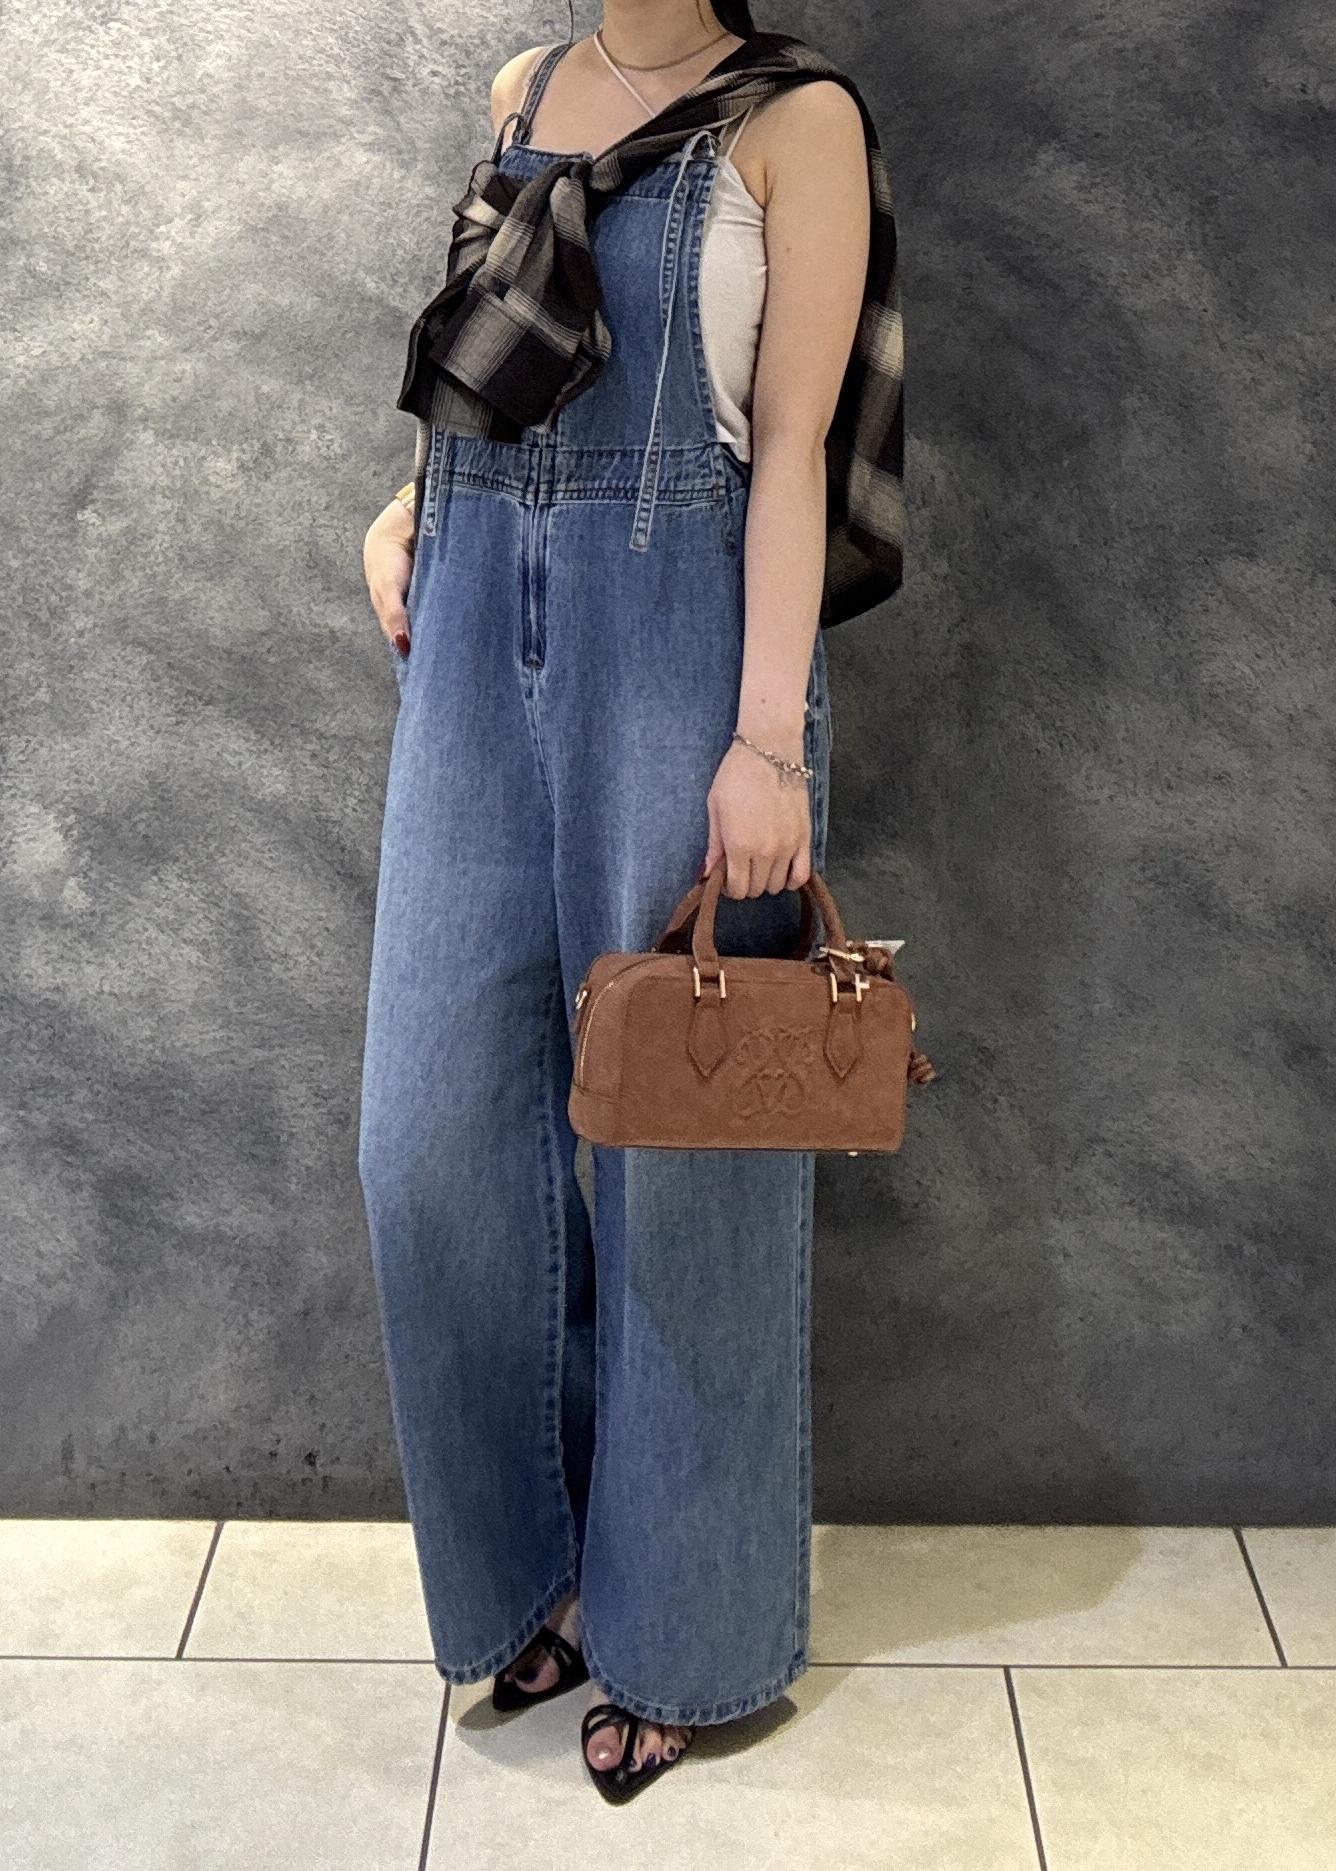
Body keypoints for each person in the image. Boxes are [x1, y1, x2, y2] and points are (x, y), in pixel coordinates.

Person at [357, 0, 895, 1805]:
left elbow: (796, 447)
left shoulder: (797, 121)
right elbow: (493, 355)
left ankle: (687, 1633)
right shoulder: (523, 92)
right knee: (428, 1143)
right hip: (469, 645)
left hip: (677, 660)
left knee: (685, 1166)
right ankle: (540, 1576)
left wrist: (767, 744)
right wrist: (400, 506)